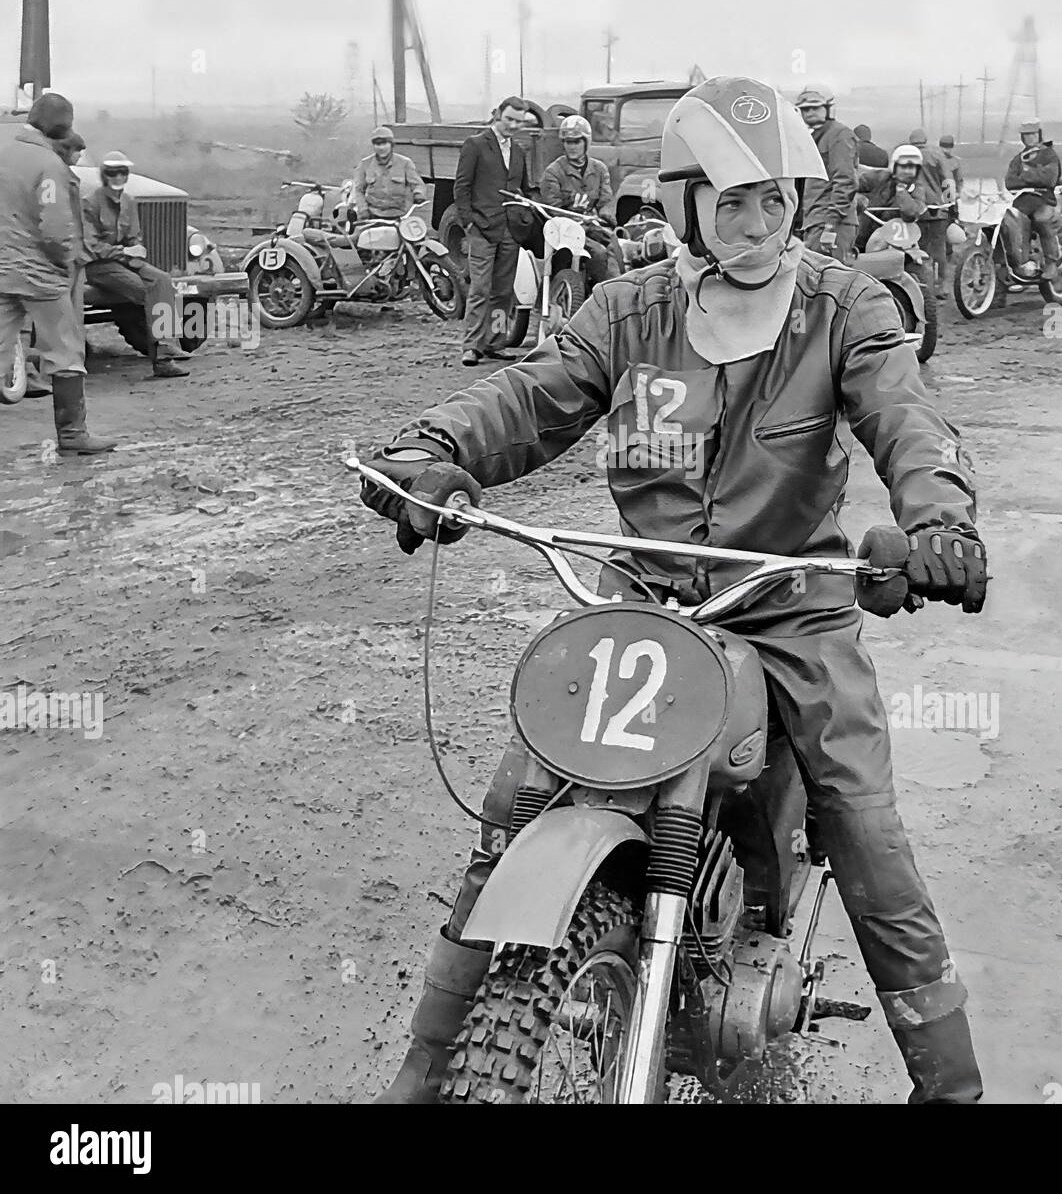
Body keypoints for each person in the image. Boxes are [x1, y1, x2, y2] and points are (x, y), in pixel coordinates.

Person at [362, 75, 987, 1106]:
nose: (755, 222)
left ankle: (950, 1086)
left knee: (862, 822)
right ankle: (424, 1074)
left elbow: (904, 413)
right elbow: (533, 393)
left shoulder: (842, 304)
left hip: (789, 605)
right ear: (685, 204)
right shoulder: (633, 305)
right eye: (731, 200)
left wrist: (936, 523)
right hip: (644, 600)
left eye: (773, 200)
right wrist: (434, 448)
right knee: (515, 805)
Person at [0, 93, 115, 452]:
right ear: (63, 127)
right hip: (41, 274)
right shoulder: (49, 165)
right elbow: (55, 228)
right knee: (65, 349)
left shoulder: (4, 152)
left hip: (2, 269)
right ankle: (72, 434)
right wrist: (66, 261)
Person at [82, 152, 189, 379]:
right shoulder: (90, 203)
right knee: (146, 291)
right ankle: (161, 355)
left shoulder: (128, 202)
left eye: (123, 172)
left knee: (162, 280)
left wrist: (136, 250)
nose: (118, 177)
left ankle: (166, 348)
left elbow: (134, 235)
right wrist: (123, 252)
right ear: (104, 175)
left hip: (126, 260)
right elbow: (91, 246)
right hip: (100, 265)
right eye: (112, 172)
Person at [453, 96, 536, 367]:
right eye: (509, 119)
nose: (512, 125)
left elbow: (522, 191)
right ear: (498, 115)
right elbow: (461, 187)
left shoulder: (520, 152)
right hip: (482, 230)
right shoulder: (475, 145)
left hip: (509, 232)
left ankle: (495, 343)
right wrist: (469, 223)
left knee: (503, 292)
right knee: (480, 289)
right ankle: (472, 346)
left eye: (518, 122)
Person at [22, 130, 89, 399]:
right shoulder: (52, 175)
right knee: (35, 320)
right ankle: (26, 372)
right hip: (48, 257)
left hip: (67, 256)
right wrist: (61, 254)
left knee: (67, 320)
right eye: (77, 153)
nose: (79, 159)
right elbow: (54, 221)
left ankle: (43, 372)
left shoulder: (60, 175)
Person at [538, 114, 624, 283]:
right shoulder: (553, 172)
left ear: (586, 142)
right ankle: (598, 295)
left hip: (592, 227)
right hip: (563, 231)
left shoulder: (599, 169)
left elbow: (606, 200)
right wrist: (575, 218)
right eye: (568, 142)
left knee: (617, 249)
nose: (572, 146)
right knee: (598, 253)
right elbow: (552, 208)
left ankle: (618, 291)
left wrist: (606, 217)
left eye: (577, 141)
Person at [793, 86, 858, 263]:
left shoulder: (839, 135)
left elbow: (845, 180)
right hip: (814, 220)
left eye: (816, 107)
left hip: (831, 222)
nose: (810, 112)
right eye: (806, 109)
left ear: (827, 109)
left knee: (831, 280)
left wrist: (831, 223)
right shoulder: (811, 137)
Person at [1003, 118, 1062, 283]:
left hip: (1044, 200)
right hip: (1022, 202)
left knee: (1041, 219)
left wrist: (1025, 176)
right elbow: (1009, 182)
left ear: (1039, 135)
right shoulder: (1018, 159)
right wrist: (1035, 176)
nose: (1030, 138)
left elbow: (1049, 179)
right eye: (1026, 135)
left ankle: (1051, 262)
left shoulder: (1048, 154)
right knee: (1009, 224)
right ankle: (1017, 263)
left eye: (1033, 134)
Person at [905, 128, 957, 284]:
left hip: (916, 209)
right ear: (925, 140)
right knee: (939, 248)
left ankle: (923, 284)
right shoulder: (937, 155)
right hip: (937, 209)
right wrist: (950, 203)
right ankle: (941, 284)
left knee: (919, 247)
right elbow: (947, 179)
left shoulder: (906, 156)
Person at [350, 126, 427, 222]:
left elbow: (417, 184)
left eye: (385, 143)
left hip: (401, 216)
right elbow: (358, 190)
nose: (381, 148)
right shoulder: (365, 164)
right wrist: (363, 210)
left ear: (391, 144)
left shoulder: (405, 163)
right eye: (378, 144)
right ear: (373, 146)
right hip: (372, 215)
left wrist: (418, 194)